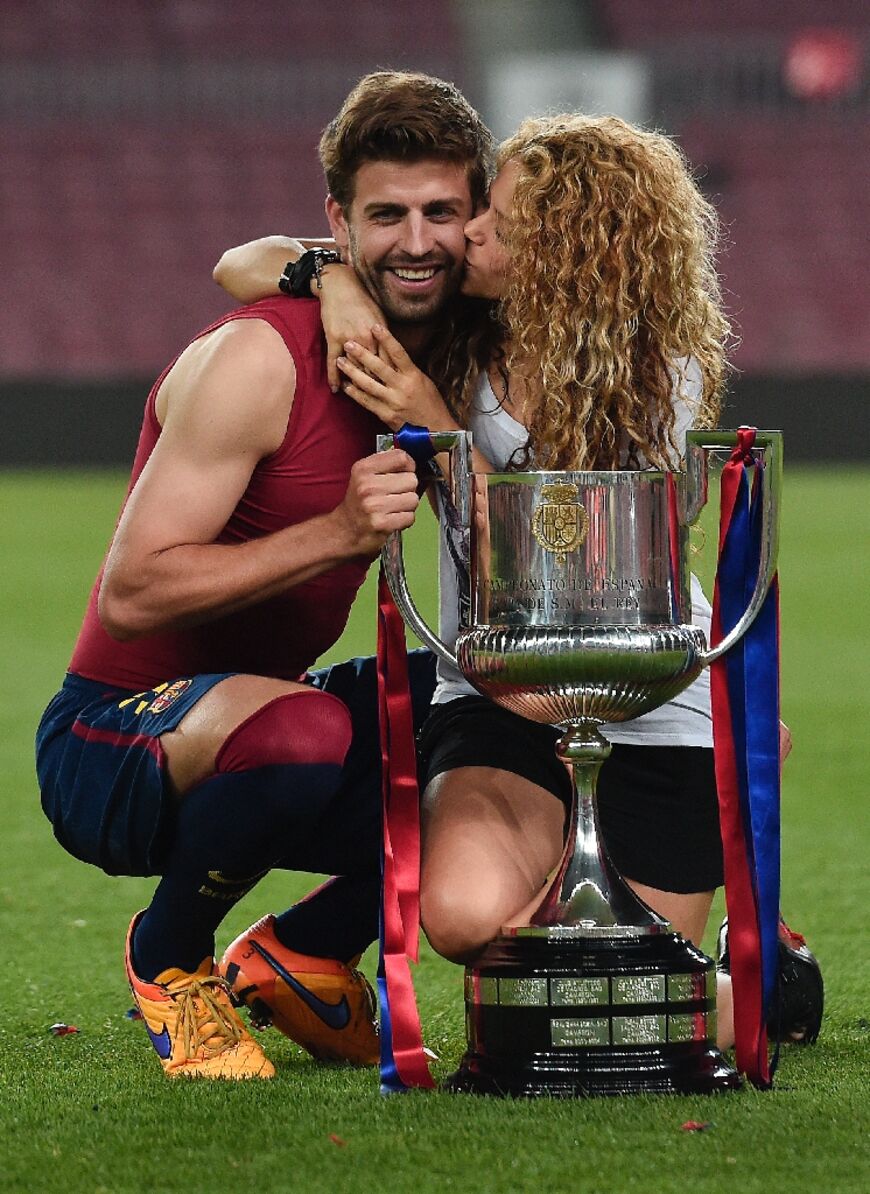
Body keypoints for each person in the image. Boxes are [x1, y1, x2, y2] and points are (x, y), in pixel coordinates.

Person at [216, 113, 823, 1050]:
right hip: (497, 685)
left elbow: (573, 555)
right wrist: (333, 283)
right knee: (462, 918)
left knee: (636, 1013)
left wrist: (440, 430)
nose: (472, 234)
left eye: (499, 218)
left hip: (647, 694)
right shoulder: (459, 320)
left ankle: (750, 945)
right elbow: (240, 263)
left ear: (567, 247)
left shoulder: (658, 371)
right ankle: (669, 904)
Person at [35, 70, 494, 1080]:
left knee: (505, 722)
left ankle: (304, 950)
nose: (415, 241)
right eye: (385, 216)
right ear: (339, 220)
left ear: (476, 217)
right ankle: (169, 960)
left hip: (272, 720)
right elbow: (135, 592)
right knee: (304, 729)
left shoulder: (450, 356)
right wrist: (335, 531)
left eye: (440, 212)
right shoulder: (264, 359)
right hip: (114, 742)